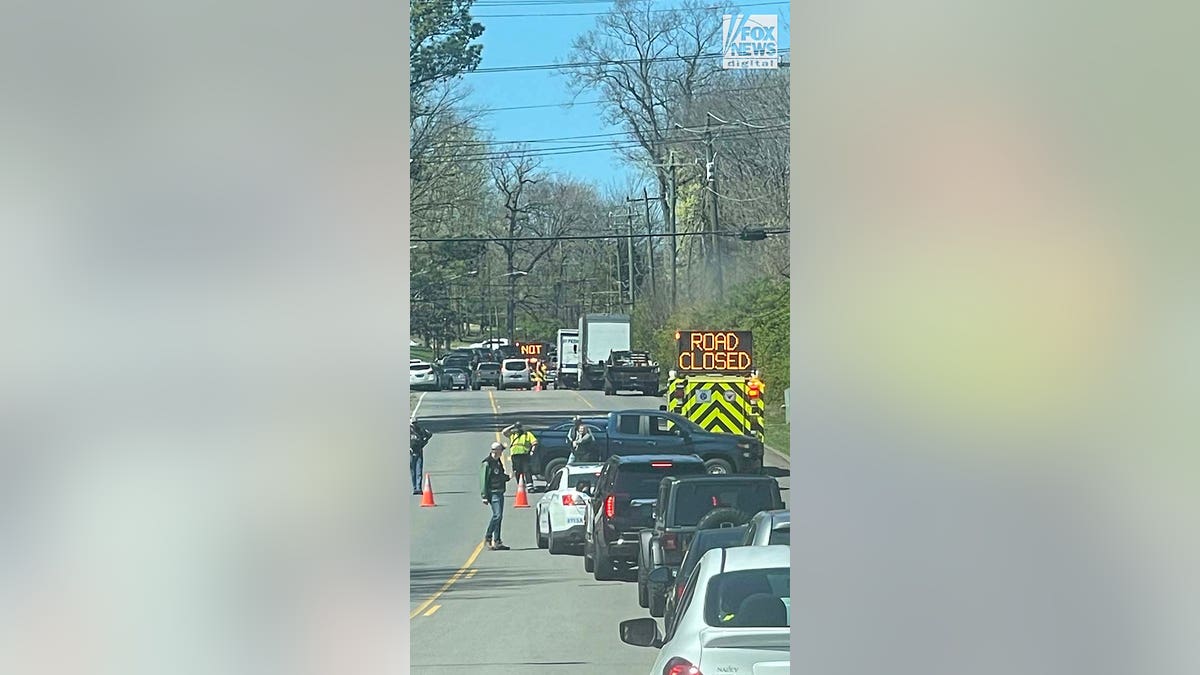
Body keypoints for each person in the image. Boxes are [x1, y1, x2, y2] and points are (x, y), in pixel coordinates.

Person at [480, 442, 510, 550]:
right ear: (496, 451)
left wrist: (508, 477)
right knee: (497, 515)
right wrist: (484, 495)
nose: (502, 452)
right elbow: (483, 480)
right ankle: (488, 537)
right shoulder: (487, 463)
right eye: (501, 450)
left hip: (500, 491)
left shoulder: (498, 462)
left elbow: (500, 476)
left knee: (500, 516)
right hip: (493, 492)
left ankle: (497, 541)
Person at [500, 422, 538, 491]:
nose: (518, 429)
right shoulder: (512, 434)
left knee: (527, 470)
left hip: (524, 454)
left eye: (519, 427)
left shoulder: (527, 434)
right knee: (517, 471)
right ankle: (520, 484)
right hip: (515, 455)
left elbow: (534, 442)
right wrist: (512, 426)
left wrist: (532, 451)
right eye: (516, 428)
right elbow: (504, 432)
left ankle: (530, 486)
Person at [410, 416, 433, 495]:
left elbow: (429, 434)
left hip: (419, 451)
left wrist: (424, 442)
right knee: (413, 471)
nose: (414, 425)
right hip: (411, 453)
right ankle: (414, 488)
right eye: (413, 423)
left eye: (415, 423)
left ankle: (418, 488)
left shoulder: (420, 430)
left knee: (419, 470)